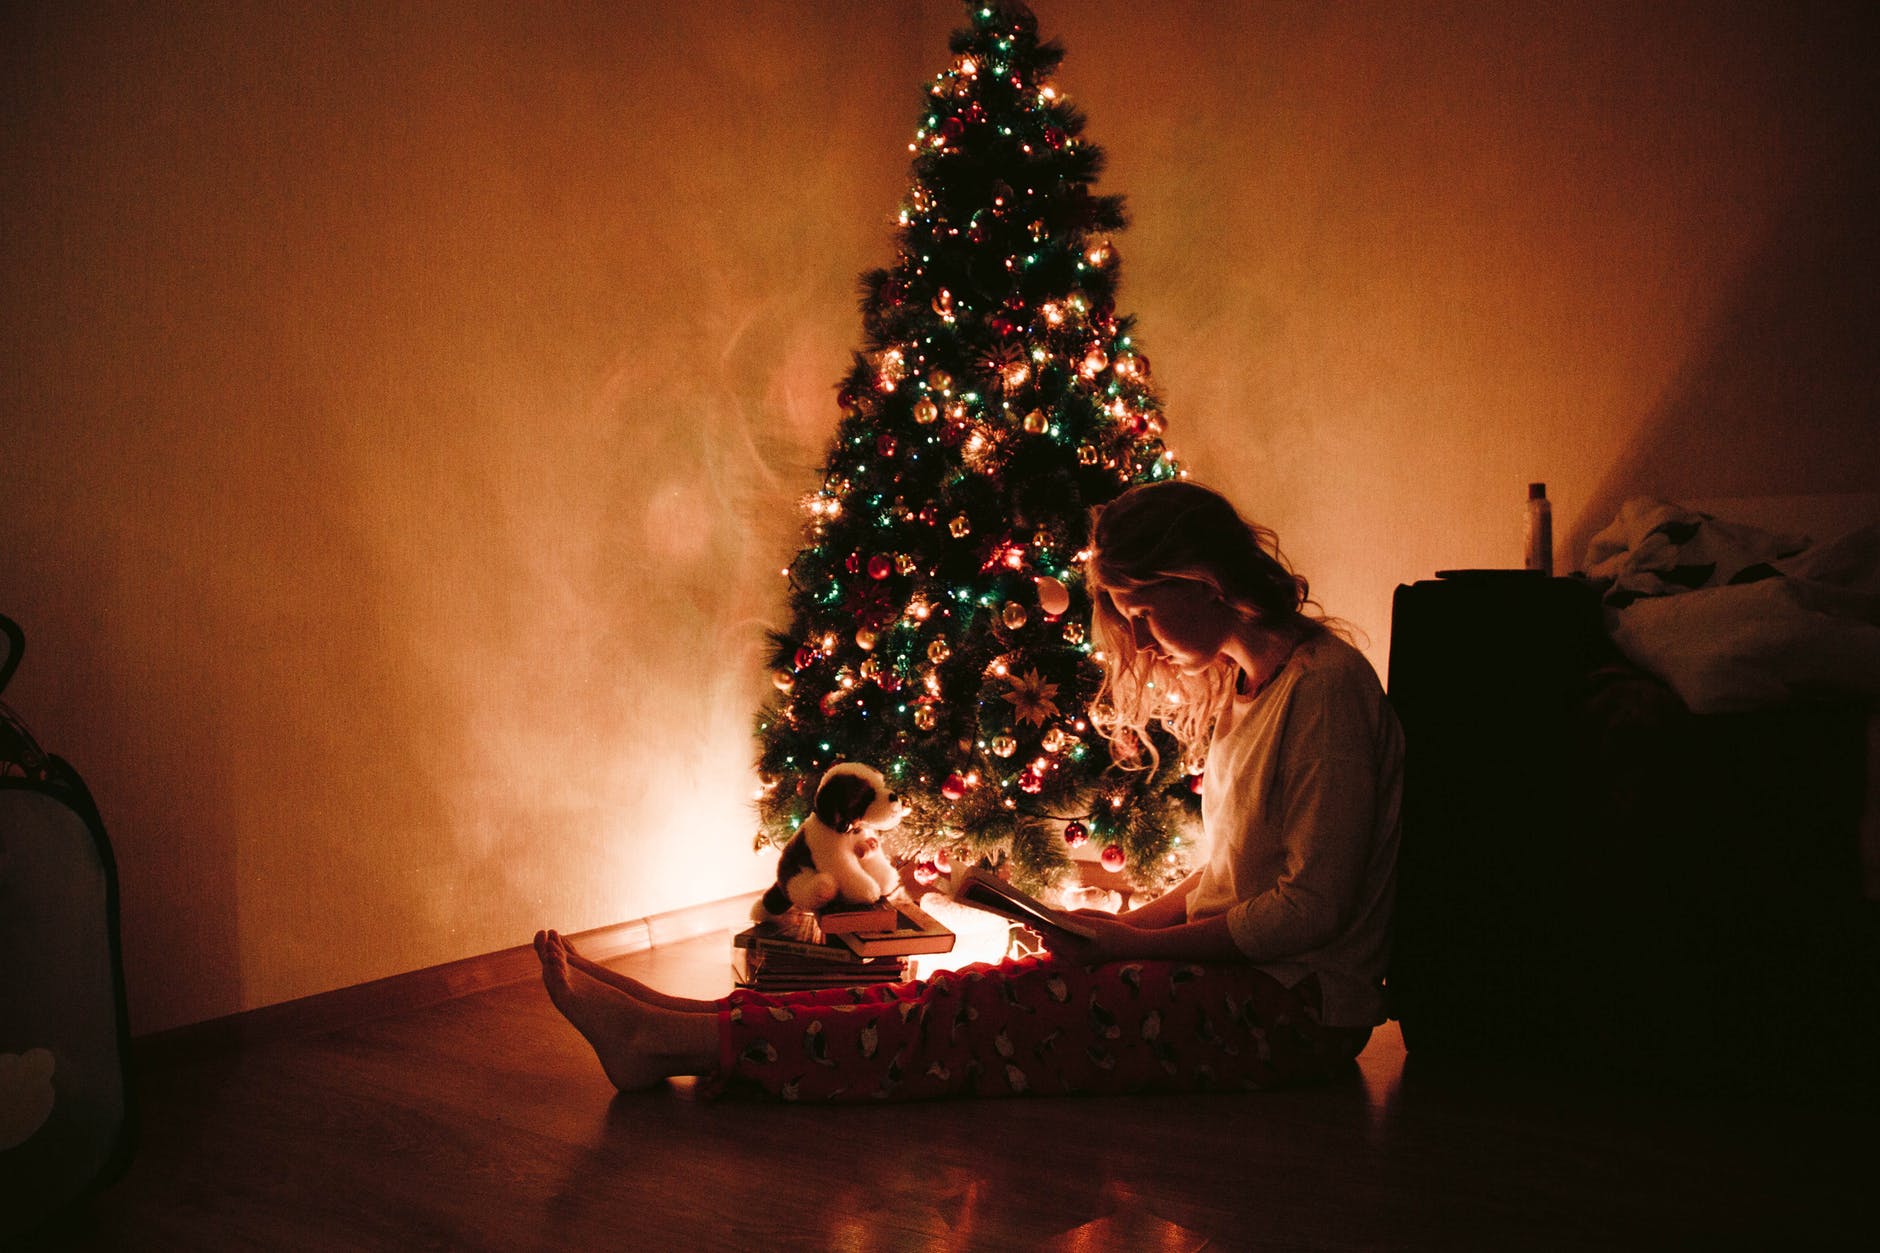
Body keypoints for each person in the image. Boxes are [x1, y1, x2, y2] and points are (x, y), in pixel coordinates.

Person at [535, 479, 1404, 1100]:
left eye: (1143, 611)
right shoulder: (1246, 687)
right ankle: (681, 1019)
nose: (1139, 640)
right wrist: (1117, 931)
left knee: (970, 1015)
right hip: (1246, 984)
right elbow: (1231, 874)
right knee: (973, 987)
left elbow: (1311, 908)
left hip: (1297, 1012)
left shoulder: (1325, 689)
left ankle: (679, 1040)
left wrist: (1134, 947)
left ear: (1199, 579)